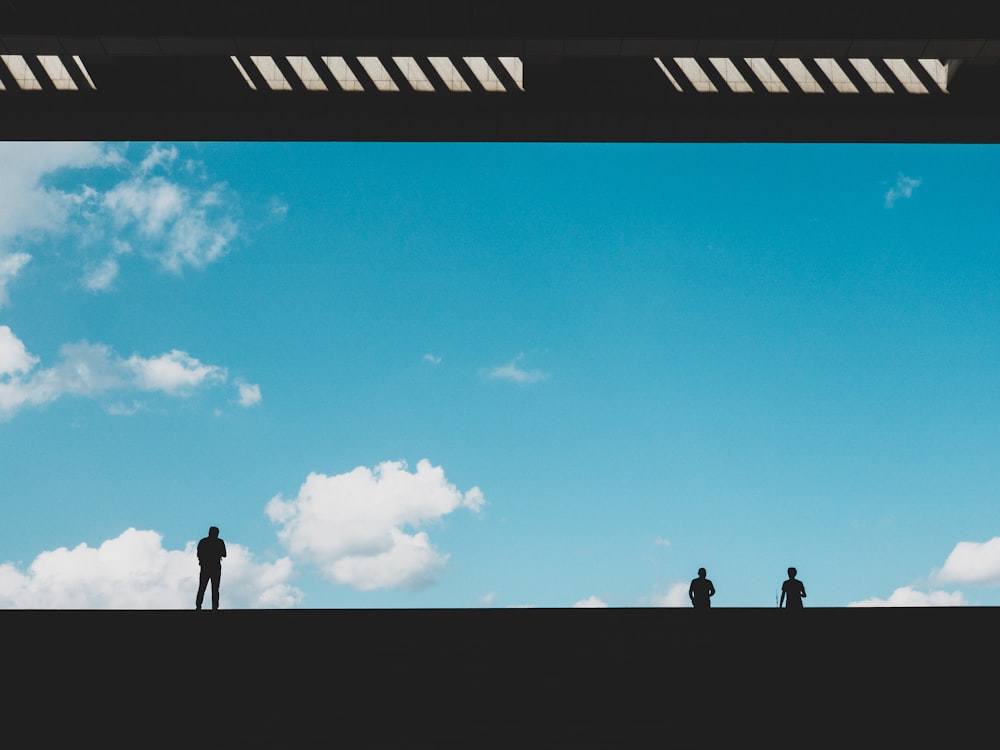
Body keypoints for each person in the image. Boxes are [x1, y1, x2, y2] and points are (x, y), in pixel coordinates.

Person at [196, 526, 227, 610]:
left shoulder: (203, 542)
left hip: (206, 567)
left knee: (202, 587)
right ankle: (214, 607)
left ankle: (199, 606)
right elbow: (224, 554)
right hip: (215, 567)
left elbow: (199, 554)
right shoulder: (219, 542)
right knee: (214, 588)